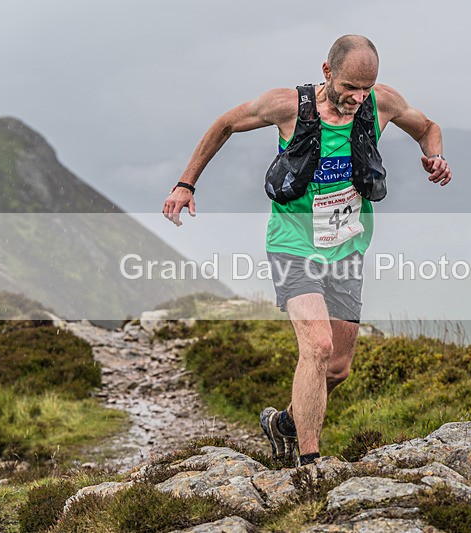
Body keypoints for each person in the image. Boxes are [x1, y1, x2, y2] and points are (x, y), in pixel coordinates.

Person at [162, 34, 451, 466]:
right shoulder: (288, 107)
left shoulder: (381, 103)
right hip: (293, 245)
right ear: (327, 72)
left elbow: (428, 128)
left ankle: (284, 424)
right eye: (350, 86)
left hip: (347, 249)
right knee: (317, 346)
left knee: (336, 368)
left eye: (366, 88)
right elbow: (224, 123)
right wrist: (186, 185)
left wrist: (435, 157)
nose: (357, 97)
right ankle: (309, 466)